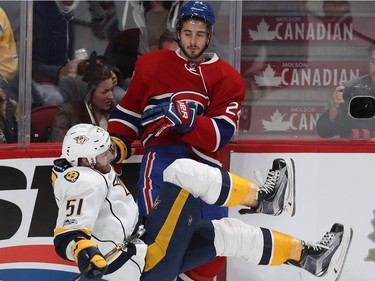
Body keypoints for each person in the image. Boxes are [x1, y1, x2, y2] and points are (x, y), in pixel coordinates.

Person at [52, 123, 352, 281]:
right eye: (104, 154)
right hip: (147, 260)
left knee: (228, 234)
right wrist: (84, 253)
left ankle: (311, 259)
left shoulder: (90, 168)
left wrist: (114, 148)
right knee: (180, 173)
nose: (111, 157)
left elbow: (118, 152)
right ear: (84, 160)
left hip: (148, 254)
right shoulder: (81, 180)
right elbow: (69, 233)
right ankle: (263, 198)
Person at [107, 2, 246, 279]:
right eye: (187, 33)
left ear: (209, 36)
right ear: (178, 32)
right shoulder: (150, 65)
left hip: (206, 168)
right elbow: (129, 113)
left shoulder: (228, 78)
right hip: (163, 163)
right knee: (158, 241)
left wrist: (188, 122)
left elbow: (220, 135)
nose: (193, 41)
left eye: (199, 34)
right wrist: (117, 145)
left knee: (210, 248)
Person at [48, 57, 116, 142]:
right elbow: (60, 150)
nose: (111, 96)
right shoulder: (67, 115)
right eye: (104, 92)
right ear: (86, 92)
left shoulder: (115, 110)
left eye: (111, 90)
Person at [316, 42, 375, 139]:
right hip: (355, 152)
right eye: (373, 62)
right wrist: (335, 109)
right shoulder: (351, 88)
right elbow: (324, 131)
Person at [32, 0, 81, 106]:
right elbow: (27, 65)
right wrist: (59, 71)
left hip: (68, 78)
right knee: (55, 97)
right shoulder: (37, 11)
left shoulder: (81, 10)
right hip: (38, 81)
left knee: (105, 91)